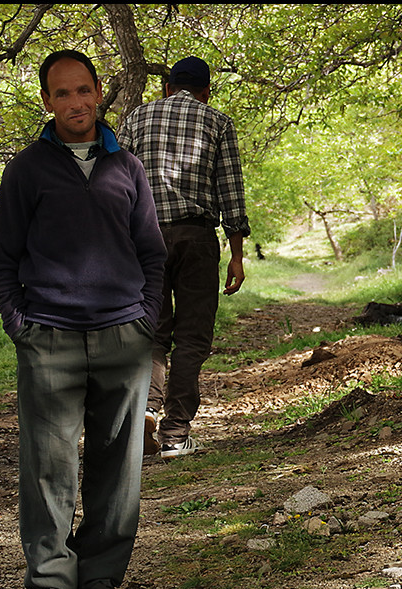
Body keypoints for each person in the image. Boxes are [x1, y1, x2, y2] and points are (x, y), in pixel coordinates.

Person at [0, 49, 166, 589]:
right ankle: (49, 579)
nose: (75, 102)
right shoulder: (27, 170)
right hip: (51, 338)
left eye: (83, 90)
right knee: (47, 464)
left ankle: (101, 575)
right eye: (62, 94)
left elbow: (153, 254)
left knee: (119, 463)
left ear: (98, 95)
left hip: (123, 336)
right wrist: (22, 326)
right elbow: (2, 258)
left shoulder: (127, 168)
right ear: (47, 103)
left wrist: (145, 321)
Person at [117, 55, 252, 458]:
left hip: (144, 239)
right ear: (207, 92)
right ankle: (176, 433)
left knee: (152, 332)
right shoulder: (218, 122)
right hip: (197, 237)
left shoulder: (137, 119)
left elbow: (114, 179)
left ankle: (145, 408)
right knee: (193, 335)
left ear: (167, 88)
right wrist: (237, 255)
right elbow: (231, 191)